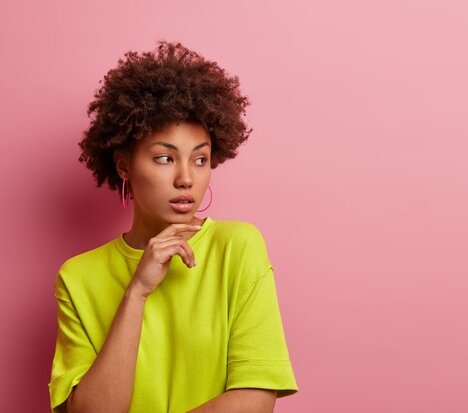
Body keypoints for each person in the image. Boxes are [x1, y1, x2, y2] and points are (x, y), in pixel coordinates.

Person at [48, 40, 299, 413]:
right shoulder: (79, 277)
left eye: (201, 159)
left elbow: (256, 398)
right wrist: (137, 292)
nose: (186, 178)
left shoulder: (236, 246)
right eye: (165, 158)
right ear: (123, 166)